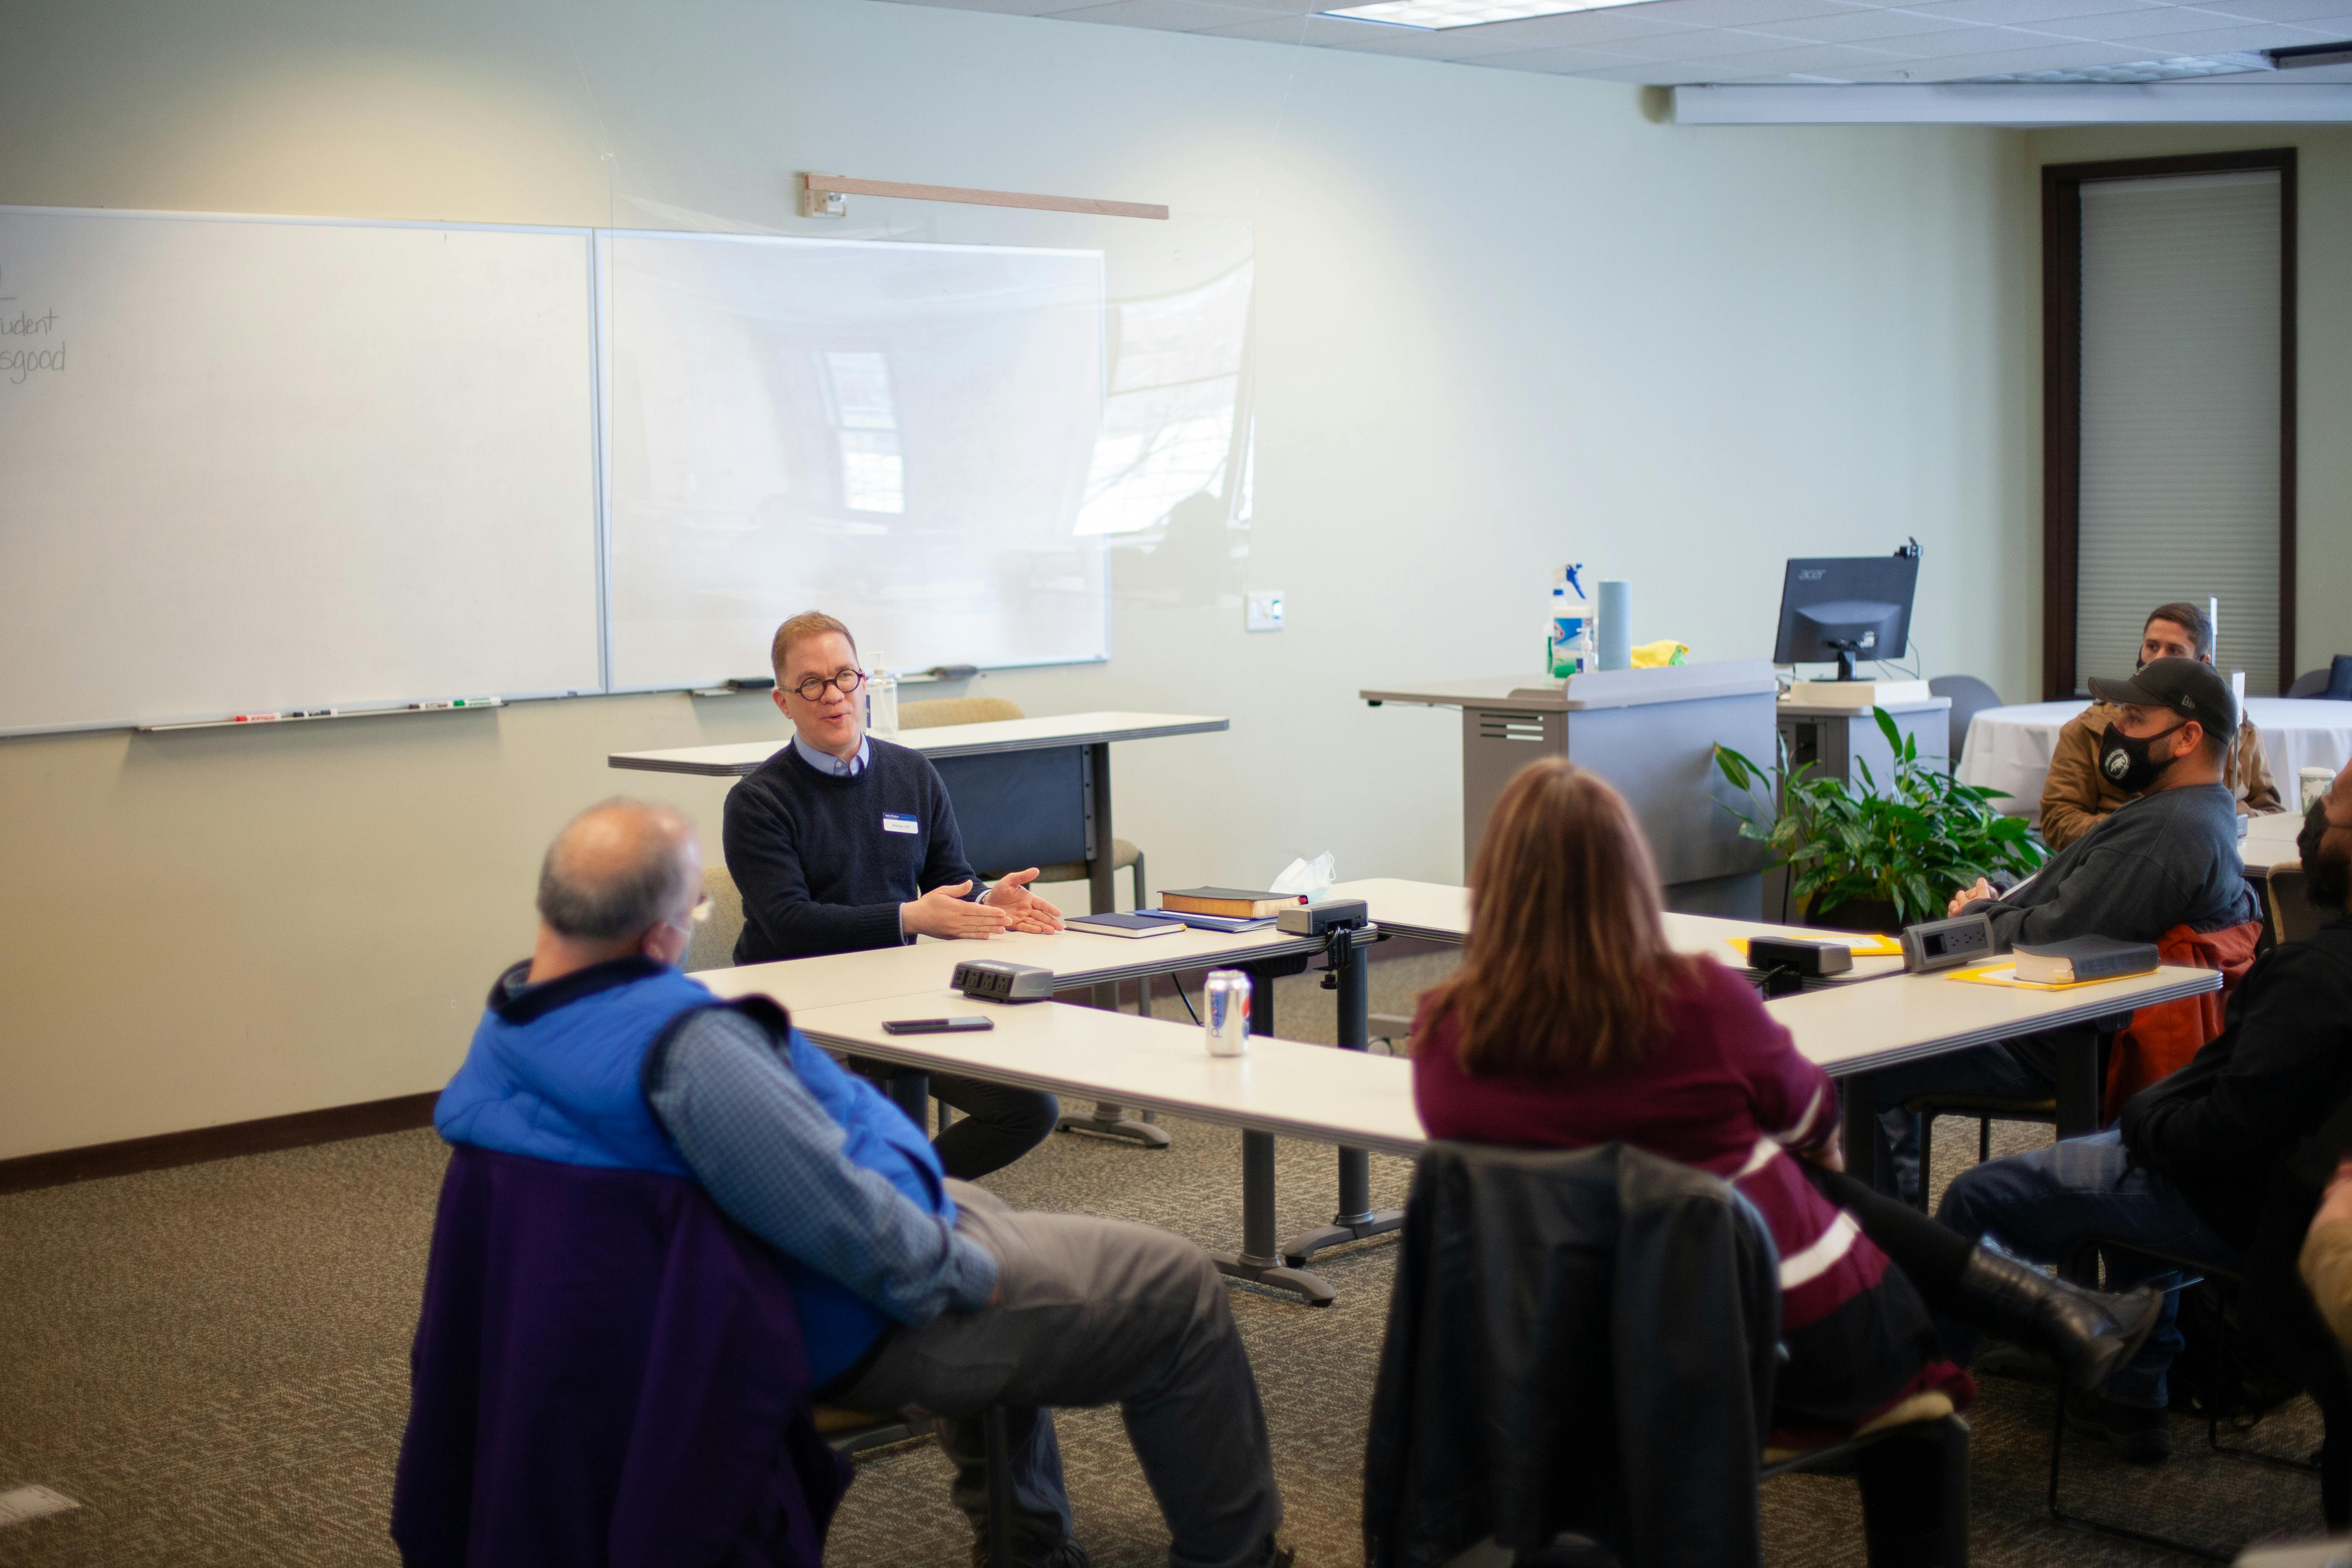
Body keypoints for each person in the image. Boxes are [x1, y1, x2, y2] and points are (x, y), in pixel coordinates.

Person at [437, 799, 1291, 1568]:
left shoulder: (514, 1017)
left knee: (995, 1215)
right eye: (695, 909)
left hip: (675, 1311)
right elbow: (855, 1232)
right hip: (832, 1313)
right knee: (1178, 1285)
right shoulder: (686, 1053)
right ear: (662, 931)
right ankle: (1235, 1556)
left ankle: (1028, 1542)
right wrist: (967, 1272)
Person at [1410, 759, 2160, 1453]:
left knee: (1779, 1181)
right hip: (1742, 1332)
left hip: (1551, 1339)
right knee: (1898, 1333)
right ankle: (2046, 1314)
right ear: (1631, 875)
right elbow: (1813, 1117)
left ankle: (2057, 1310)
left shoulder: (1443, 1031)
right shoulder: (1698, 1001)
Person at [1938, 757, 2352, 1464]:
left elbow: (2221, 1138)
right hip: (2294, 1195)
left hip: (2257, 1209)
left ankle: (1910, 1418)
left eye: (2329, 809)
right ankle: (2133, 1398)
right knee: (2124, 1152)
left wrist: (2147, 1124)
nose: (2309, 825)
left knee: (1975, 1197)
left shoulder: (2317, 978)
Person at [1870, 655, 2263, 1202]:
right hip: (2043, 1012)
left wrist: (1983, 915)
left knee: (1867, 1062)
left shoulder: (2169, 833)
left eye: (2134, 718)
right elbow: (2074, 900)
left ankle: (1890, 1243)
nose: (2116, 729)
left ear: (2187, 738)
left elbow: (2056, 938)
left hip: (2048, 1037)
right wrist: (1999, 897)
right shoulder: (2184, 812)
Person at [725, 610, 1065, 1180]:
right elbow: (789, 923)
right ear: (784, 702)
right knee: (859, 1131)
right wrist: (910, 918)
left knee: (1027, 1111)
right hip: (800, 1008)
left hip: (894, 994)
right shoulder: (758, 801)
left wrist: (988, 903)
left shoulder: (911, 773)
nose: (833, 695)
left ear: (863, 682)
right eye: (811, 684)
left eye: (845, 676)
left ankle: (904, 1196)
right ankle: (887, 1199)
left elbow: (950, 877)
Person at [2040, 601, 2282, 851]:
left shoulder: (2239, 732)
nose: (2158, 659)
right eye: (2152, 647)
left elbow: (2272, 813)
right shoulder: (2090, 729)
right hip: (2118, 858)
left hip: (2223, 855)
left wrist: (2222, 820)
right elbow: (2058, 820)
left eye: (2174, 651)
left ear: (2203, 662)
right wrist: (2146, 830)